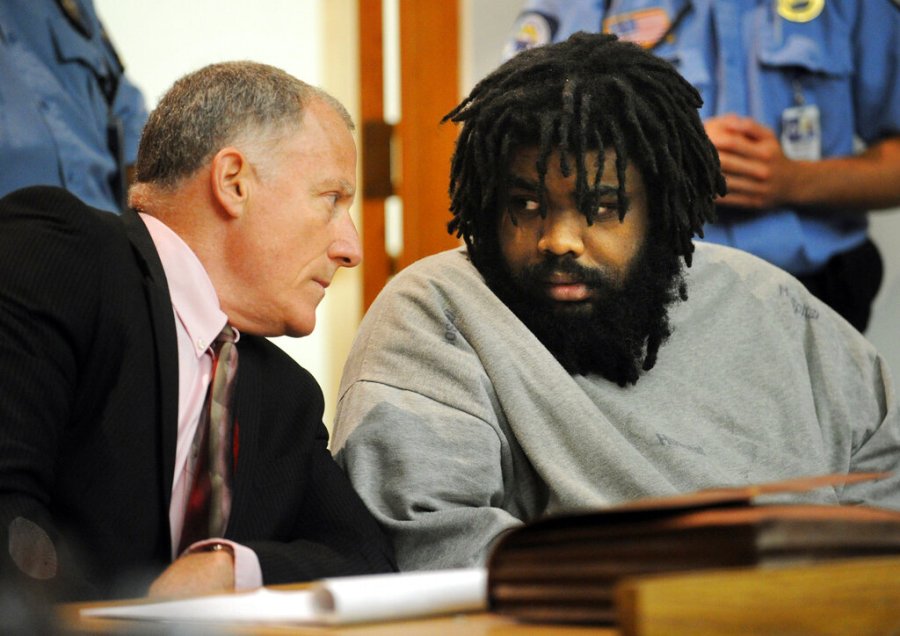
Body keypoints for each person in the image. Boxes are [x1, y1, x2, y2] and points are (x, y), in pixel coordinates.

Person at [331, 33, 900, 572]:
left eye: (602, 208)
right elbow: (431, 538)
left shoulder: (769, 301)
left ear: (659, 209)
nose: (559, 240)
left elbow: (883, 464)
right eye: (527, 205)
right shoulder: (439, 311)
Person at [0, 61, 395, 602]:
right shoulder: (62, 256)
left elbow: (367, 561)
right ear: (234, 183)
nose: (351, 249)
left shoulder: (287, 397)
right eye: (332, 200)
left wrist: (229, 570)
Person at [502, 0, 900, 332]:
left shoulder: (855, 7)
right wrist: (667, 155)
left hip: (816, 295)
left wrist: (795, 181)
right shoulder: (573, 6)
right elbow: (507, 139)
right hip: (641, 294)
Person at [0, 0, 148, 213]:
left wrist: (149, 221)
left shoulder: (69, 5)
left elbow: (127, 112)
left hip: (103, 221)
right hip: (15, 227)